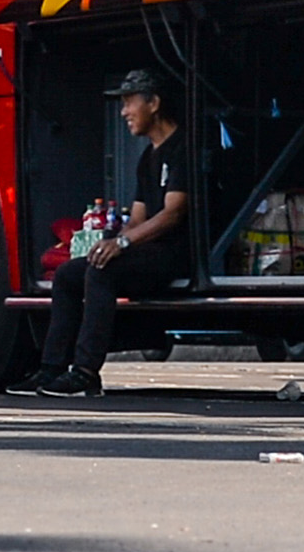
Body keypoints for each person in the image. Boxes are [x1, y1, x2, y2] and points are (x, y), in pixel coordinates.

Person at [33, 70, 191, 398]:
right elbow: (137, 218)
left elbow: (173, 213)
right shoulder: (147, 157)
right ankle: (51, 369)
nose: (123, 112)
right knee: (67, 274)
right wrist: (107, 241)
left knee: (101, 273)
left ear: (155, 103)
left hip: (175, 254)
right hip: (145, 251)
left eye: (129, 102)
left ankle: (86, 372)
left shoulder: (182, 148)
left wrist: (123, 243)